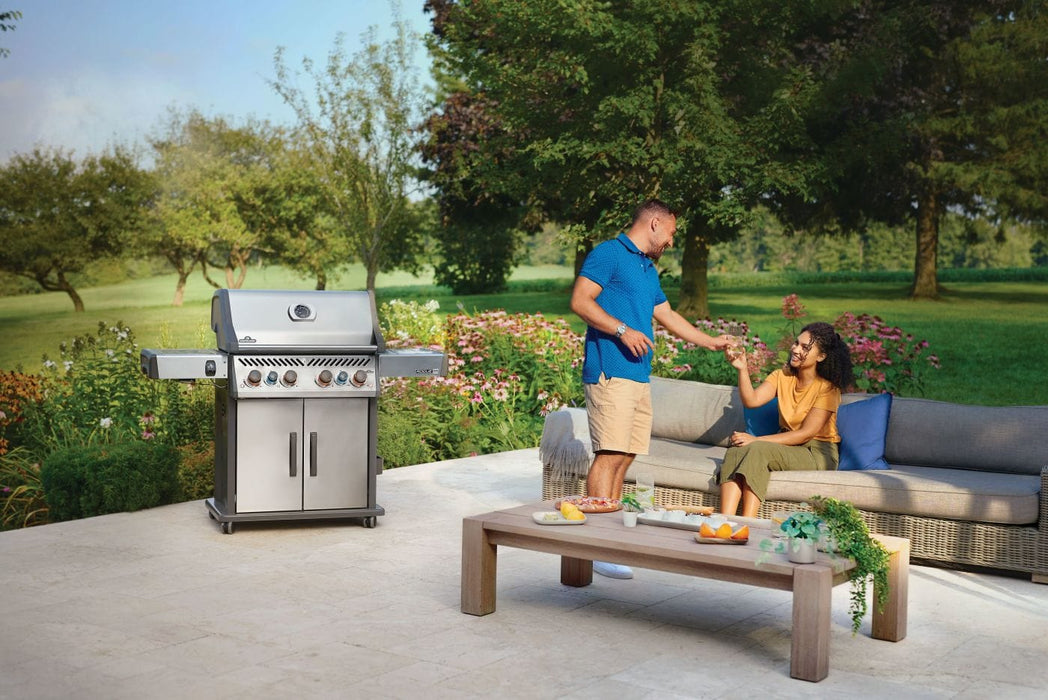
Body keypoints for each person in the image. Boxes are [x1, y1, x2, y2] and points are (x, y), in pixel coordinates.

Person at [570, 198, 733, 578]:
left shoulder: (646, 268)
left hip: (639, 376)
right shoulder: (608, 254)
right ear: (655, 223)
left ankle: (607, 533)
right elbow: (580, 301)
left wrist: (710, 341)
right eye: (672, 233)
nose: (672, 241)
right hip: (610, 370)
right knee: (609, 454)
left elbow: (667, 314)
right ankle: (596, 545)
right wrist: (622, 330)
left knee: (626, 456)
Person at [717, 322, 854, 518]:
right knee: (737, 447)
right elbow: (751, 401)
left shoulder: (827, 388)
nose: (796, 349)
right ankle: (724, 522)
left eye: (805, 348)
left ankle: (748, 525)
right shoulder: (781, 376)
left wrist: (756, 439)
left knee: (756, 449)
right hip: (788, 445)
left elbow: (805, 433)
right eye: (796, 343)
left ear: (821, 356)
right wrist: (742, 369)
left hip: (817, 452)